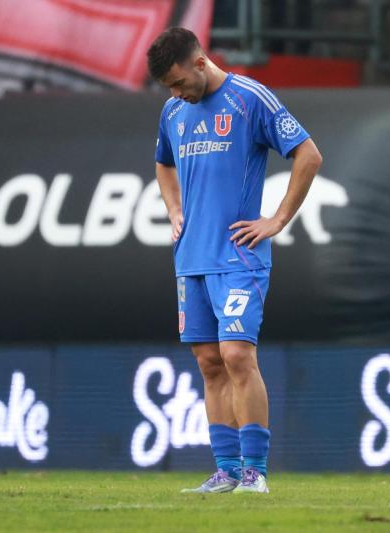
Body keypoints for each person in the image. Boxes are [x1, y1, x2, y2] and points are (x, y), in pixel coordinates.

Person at [147, 27, 322, 494]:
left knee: (237, 354)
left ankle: (255, 472)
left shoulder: (249, 99)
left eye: (179, 82)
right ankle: (225, 471)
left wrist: (277, 219)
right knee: (209, 362)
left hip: (239, 256)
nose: (176, 93)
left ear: (200, 62)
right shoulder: (172, 112)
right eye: (168, 87)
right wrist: (174, 209)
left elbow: (308, 155)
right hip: (191, 257)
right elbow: (163, 163)